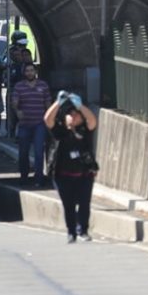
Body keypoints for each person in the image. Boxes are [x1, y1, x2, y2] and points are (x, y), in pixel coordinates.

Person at [44, 92, 99, 243]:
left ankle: (84, 231)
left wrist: (81, 106)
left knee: (84, 203)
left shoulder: (85, 131)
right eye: (70, 114)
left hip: (84, 174)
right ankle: (71, 232)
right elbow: (47, 120)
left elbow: (93, 120)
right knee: (68, 205)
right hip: (63, 175)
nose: (73, 117)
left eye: (77, 114)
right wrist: (57, 103)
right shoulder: (60, 131)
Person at [11, 62, 51, 186]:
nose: (29, 73)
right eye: (27, 71)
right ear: (24, 73)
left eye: (31, 70)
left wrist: (49, 119)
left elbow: (48, 103)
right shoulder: (19, 86)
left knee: (39, 152)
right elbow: (14, 102)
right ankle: (24, 176)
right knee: (23, 153)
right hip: (24, 124)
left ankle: (38, 178)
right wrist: (17, 111)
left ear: (35, 72)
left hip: (40, 123)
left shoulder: (43, 86)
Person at [6, 31, 35, 137]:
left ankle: (24, 133)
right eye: (20, 45)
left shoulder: (27, 58)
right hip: (13, 87)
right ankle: (11, 132)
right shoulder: (10, 53)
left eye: (24, 45)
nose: (23, 48)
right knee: (12, 112)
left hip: (25, 88)